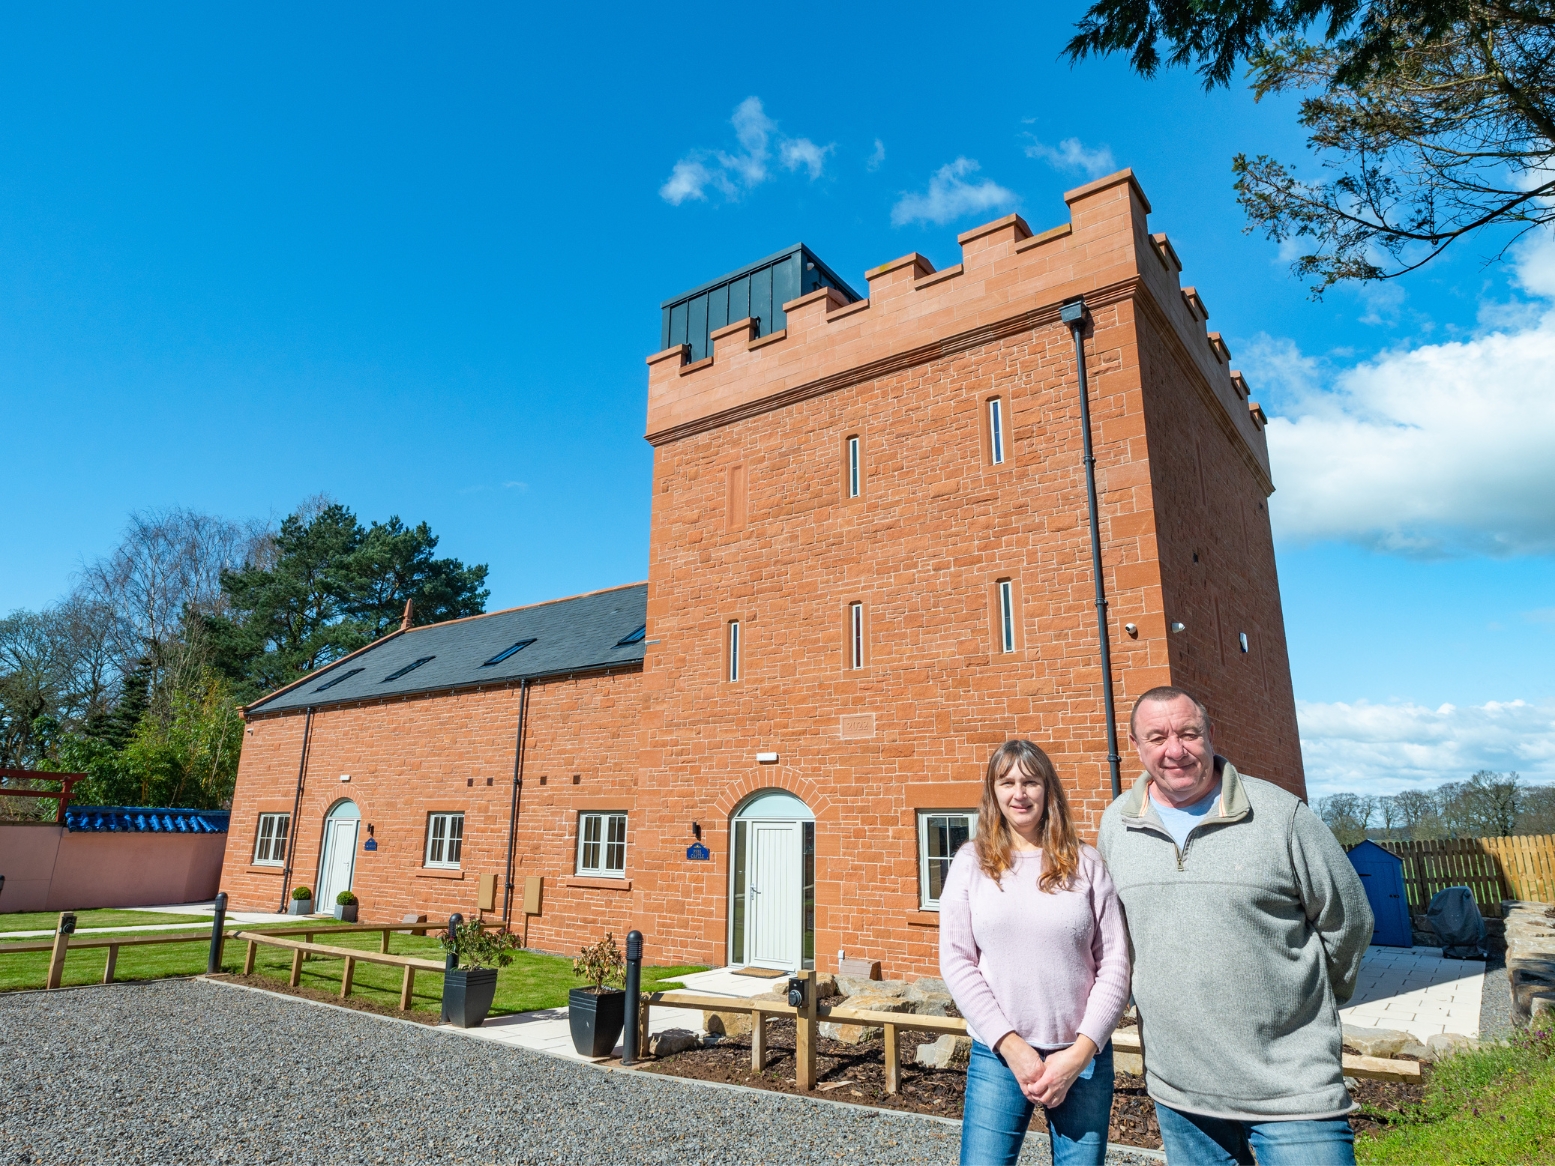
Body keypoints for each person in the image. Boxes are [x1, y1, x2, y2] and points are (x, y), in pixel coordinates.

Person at [1098, 686, 1374, 1166]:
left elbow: (1347, 921)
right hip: (1181, 1091)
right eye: (1157, 737)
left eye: (1189, 733)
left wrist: (1307, 999)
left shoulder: (1282, 817)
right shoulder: (1116, 825)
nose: (1175, 750)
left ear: (1210, 735)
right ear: (1136, 746)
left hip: (1292, 1090)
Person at [940, 739, 1132, 1166]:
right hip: (999, 1057)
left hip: (1081, 1060)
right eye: (1006, 782)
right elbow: (957, 960)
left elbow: (1115, 963)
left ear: (1048, 790)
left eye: (1030, 781)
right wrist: (1012, 1046)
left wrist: (1080, 1052)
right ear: (993, 792)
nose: (1019, 793)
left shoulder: (1086, 863)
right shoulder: (971, 863)